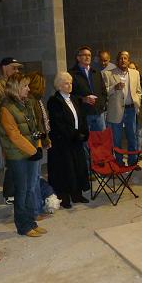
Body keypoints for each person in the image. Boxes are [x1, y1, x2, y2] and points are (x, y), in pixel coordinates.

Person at [0, 73, 46, 238]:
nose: (28, 88)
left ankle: (31, 221)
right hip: (18, 156)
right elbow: (14, 135)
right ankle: (23, 226)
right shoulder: (6, 108)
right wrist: (33, 151)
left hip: (31, 152)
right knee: (22, 191)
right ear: (16, 88)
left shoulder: (27, 103)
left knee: (31, 189)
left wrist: (38, 146)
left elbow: (34, 128)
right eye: (25, 86)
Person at [47, 72, 90, 207]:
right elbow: (59, 123)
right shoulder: (54, 101)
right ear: (59, 86)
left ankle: (77, 195)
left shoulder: (75, 99)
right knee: (65, 170)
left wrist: (84, 133)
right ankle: (64, 197)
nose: (69, 85)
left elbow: (81, 118)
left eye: (70, 83)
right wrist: (75, 134)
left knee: (78, 167)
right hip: (63, 142)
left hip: (76, 140)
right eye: (66, 83)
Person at [0, 57, 22, 203]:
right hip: (5, 129)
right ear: (4, 68)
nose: (17, 71)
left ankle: (17, 190)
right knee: (10, 162)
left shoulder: (17, 85)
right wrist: (11, 117)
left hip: (18, 129)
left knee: (19, 161)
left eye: (18, 68)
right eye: (13, 68)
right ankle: (10, 193)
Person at [103, 51, 142, 166]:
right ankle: (119, 162)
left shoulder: (135, 73)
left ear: (128, 60)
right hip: (116, 110)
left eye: (125, 58)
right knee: (117, 139)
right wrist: (114, 88)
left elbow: (138, 91)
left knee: (132, 138)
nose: (123, 60)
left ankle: (132, 162)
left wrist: (137, 101)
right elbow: (104, 92)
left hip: (130, 110)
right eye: (121, 58)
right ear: (117, 61)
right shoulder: (108, 74)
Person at [26, 71, 52, 219]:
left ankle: (38, 207)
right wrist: (44, 139)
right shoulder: (33, 101)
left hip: (38, 142)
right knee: (34, 178)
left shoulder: (36, 100)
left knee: (36, 176)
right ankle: (35, 211)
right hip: (35, 143)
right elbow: (37, 125)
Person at [69, 46, 108, 132]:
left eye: (89, 55)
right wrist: (83, 99)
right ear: (78, 58)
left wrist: (102, 105)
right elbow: (69, 95)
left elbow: (103, 91)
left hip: (98, 113)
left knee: (101, 140)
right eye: (84, 55)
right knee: (85, 142)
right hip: (83, 114)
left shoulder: (96, 73)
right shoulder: (72, 74)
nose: (87, 57)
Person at [128, 61, 142, 159]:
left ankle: (138, 152)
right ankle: (133, 153)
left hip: (139, 109)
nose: (131, 70)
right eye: (129, 68)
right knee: (132, 133)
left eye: (133, 68)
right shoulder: (126, 79)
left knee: (138, 132)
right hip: (130, 110)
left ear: (137, 70)